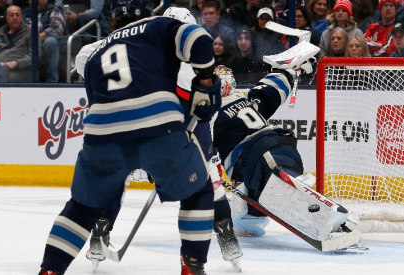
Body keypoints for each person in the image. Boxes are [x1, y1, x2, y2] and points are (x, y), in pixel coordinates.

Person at [37, 1, 223, 272]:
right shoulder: (158, 26)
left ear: (112, 21)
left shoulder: (95, 51)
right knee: (199, 191)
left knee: (81, 208)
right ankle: (192, 266)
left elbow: (98, 103)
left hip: (102, 136)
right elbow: (199, 38)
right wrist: (206, 83)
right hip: (159, 128)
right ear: (148, 14)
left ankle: (50, 269)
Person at [211, 53, 349, 238]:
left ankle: (324, 209)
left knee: (277, 184)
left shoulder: (209, 116)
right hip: (279, 146)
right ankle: (250, 219)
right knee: (255, 188)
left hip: (259, 157)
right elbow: (273, 87)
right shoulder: (249, 100)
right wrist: (291, 70)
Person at [22, 0, 66, 82]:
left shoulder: (54, 10)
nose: (34, 1)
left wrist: (35, 39)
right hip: (30, 48)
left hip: (48, 48)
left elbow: (55, 30)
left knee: (50, 41)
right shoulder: (25, 14)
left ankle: (51, 82)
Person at [0, 5, 32, 82]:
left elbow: (34, 57)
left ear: (21, 17)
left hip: (21, 70)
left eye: (17, 15)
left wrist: (16, 63)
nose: (15, 18)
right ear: (7, 19)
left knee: (2, 78)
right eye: (12, 15)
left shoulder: (31, 33)